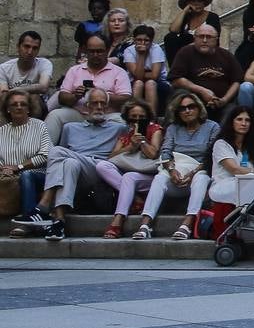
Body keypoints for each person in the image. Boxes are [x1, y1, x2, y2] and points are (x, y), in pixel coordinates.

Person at [12, 89, 126, 242]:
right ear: (86, 106)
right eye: (94, 103)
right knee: (69, 162)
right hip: (73, 173)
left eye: (102, 103)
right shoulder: (70, 128)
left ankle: (43, 206)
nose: (99, 107)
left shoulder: (119, 128)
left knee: (58, 151)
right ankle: (59, 222)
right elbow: (58, 162)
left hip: (98, 169)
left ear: (107, 107)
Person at [133, 91, 219, 241]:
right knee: (160, 178)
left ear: (199, 108)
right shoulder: (173, 128)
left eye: (191, 107)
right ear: (177, 112)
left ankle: (188, 223)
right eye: (182, 108)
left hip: (199, 169)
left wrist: (192, 173)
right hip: (176, 170)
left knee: (201, 178)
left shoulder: (212, 127)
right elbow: (165, 152)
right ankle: (145, 224)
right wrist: (172, 170)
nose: (187, 111)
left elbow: (211, 155)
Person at [95, 99, 164, 239]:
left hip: (150, 176)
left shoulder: (155, 129)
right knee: (101, 166)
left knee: (129, 176)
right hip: (131, 178)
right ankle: (135, 197)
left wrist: (143, 141)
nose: (137, 120)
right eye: (133, 117)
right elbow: (111, 158)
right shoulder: (125, 136)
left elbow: (153, 154)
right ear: (127, 118)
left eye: (141, 117)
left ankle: (117, 221)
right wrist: (130, 147)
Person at [45, 34, 131, 144]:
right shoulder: (75, 70)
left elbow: (126, 98)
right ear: (86, 51)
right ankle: (45, 154)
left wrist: (102, 95)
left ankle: (117, 155)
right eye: (92, 51)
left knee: (122, 123)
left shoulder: (118, 72)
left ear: (107, 50)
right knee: (55, 116)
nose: (95, 55)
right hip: (79, 113)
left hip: (107, 115)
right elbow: (62, 97)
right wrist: (75, 96)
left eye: (100, 51)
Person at [205, 105, 254, 236]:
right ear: (231, 122)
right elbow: (234, 169)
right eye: (239, 119)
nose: (243, 123)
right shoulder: (221, 144)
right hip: (224, 186)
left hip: (245, 186)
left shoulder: (250, 148)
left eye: (247, 120)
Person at [168, 25, 243, 119]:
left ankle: (220, 134)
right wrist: (202, 91)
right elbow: (175, 79)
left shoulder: (226, 55)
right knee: (180, 94)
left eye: (209, 37)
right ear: (194, 38)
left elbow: (236, 81)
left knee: (233, 112)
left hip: (222, 103)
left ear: (216, 39)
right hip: (193, 103)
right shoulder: (185, 52)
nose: (204, 40)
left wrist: (224, 100)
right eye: (201, 36)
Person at [0, 89, 51, 219]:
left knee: (26, 176)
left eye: (23, 104)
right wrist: (4, 169)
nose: (19, 107)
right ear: (7, 109)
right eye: (14, 104)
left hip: (37, 175)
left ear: (29, 109)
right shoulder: (2, 131)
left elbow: (45, 155)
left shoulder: (40, 126)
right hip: (8, 176)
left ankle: (28, 219)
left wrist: (19, 167)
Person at [163, 0, 222, 66]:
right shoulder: (187, 17)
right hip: (185, 53)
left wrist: (186, 49)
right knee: (170, 37)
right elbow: (173, 30)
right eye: (193, 1)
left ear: (204, 3)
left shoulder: (212, 17)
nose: (197, 3)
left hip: (204, 49)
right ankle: (175, 69)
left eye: (199, 0)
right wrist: (184, 11)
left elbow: (213, 39)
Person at [0, 31, 53, 116]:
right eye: (26, 46)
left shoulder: (44, 64)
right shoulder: (4, 68)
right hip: (12, 105)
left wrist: (15, 90)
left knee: (34, 97)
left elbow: (43, 87)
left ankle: (33, 129)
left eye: (35, 48)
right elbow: (4, 95)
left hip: (38, 106)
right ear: (18, 47)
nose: (30, 51)